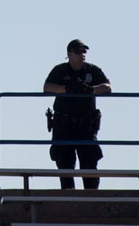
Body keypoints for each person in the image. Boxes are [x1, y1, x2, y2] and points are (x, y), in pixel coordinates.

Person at [44, 39, 111, 190]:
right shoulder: (60, 70)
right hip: (64, 127)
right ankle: (69, 200)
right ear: (69, 54)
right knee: (65, 169)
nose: (82, 54)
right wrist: (67, 89)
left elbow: (108, 87)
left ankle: (91, 201)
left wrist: (90, 89)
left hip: (85, 127)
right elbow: (47, 87)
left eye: (84, 51)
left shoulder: (92, 70)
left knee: (90, 169)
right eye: (78, 51)